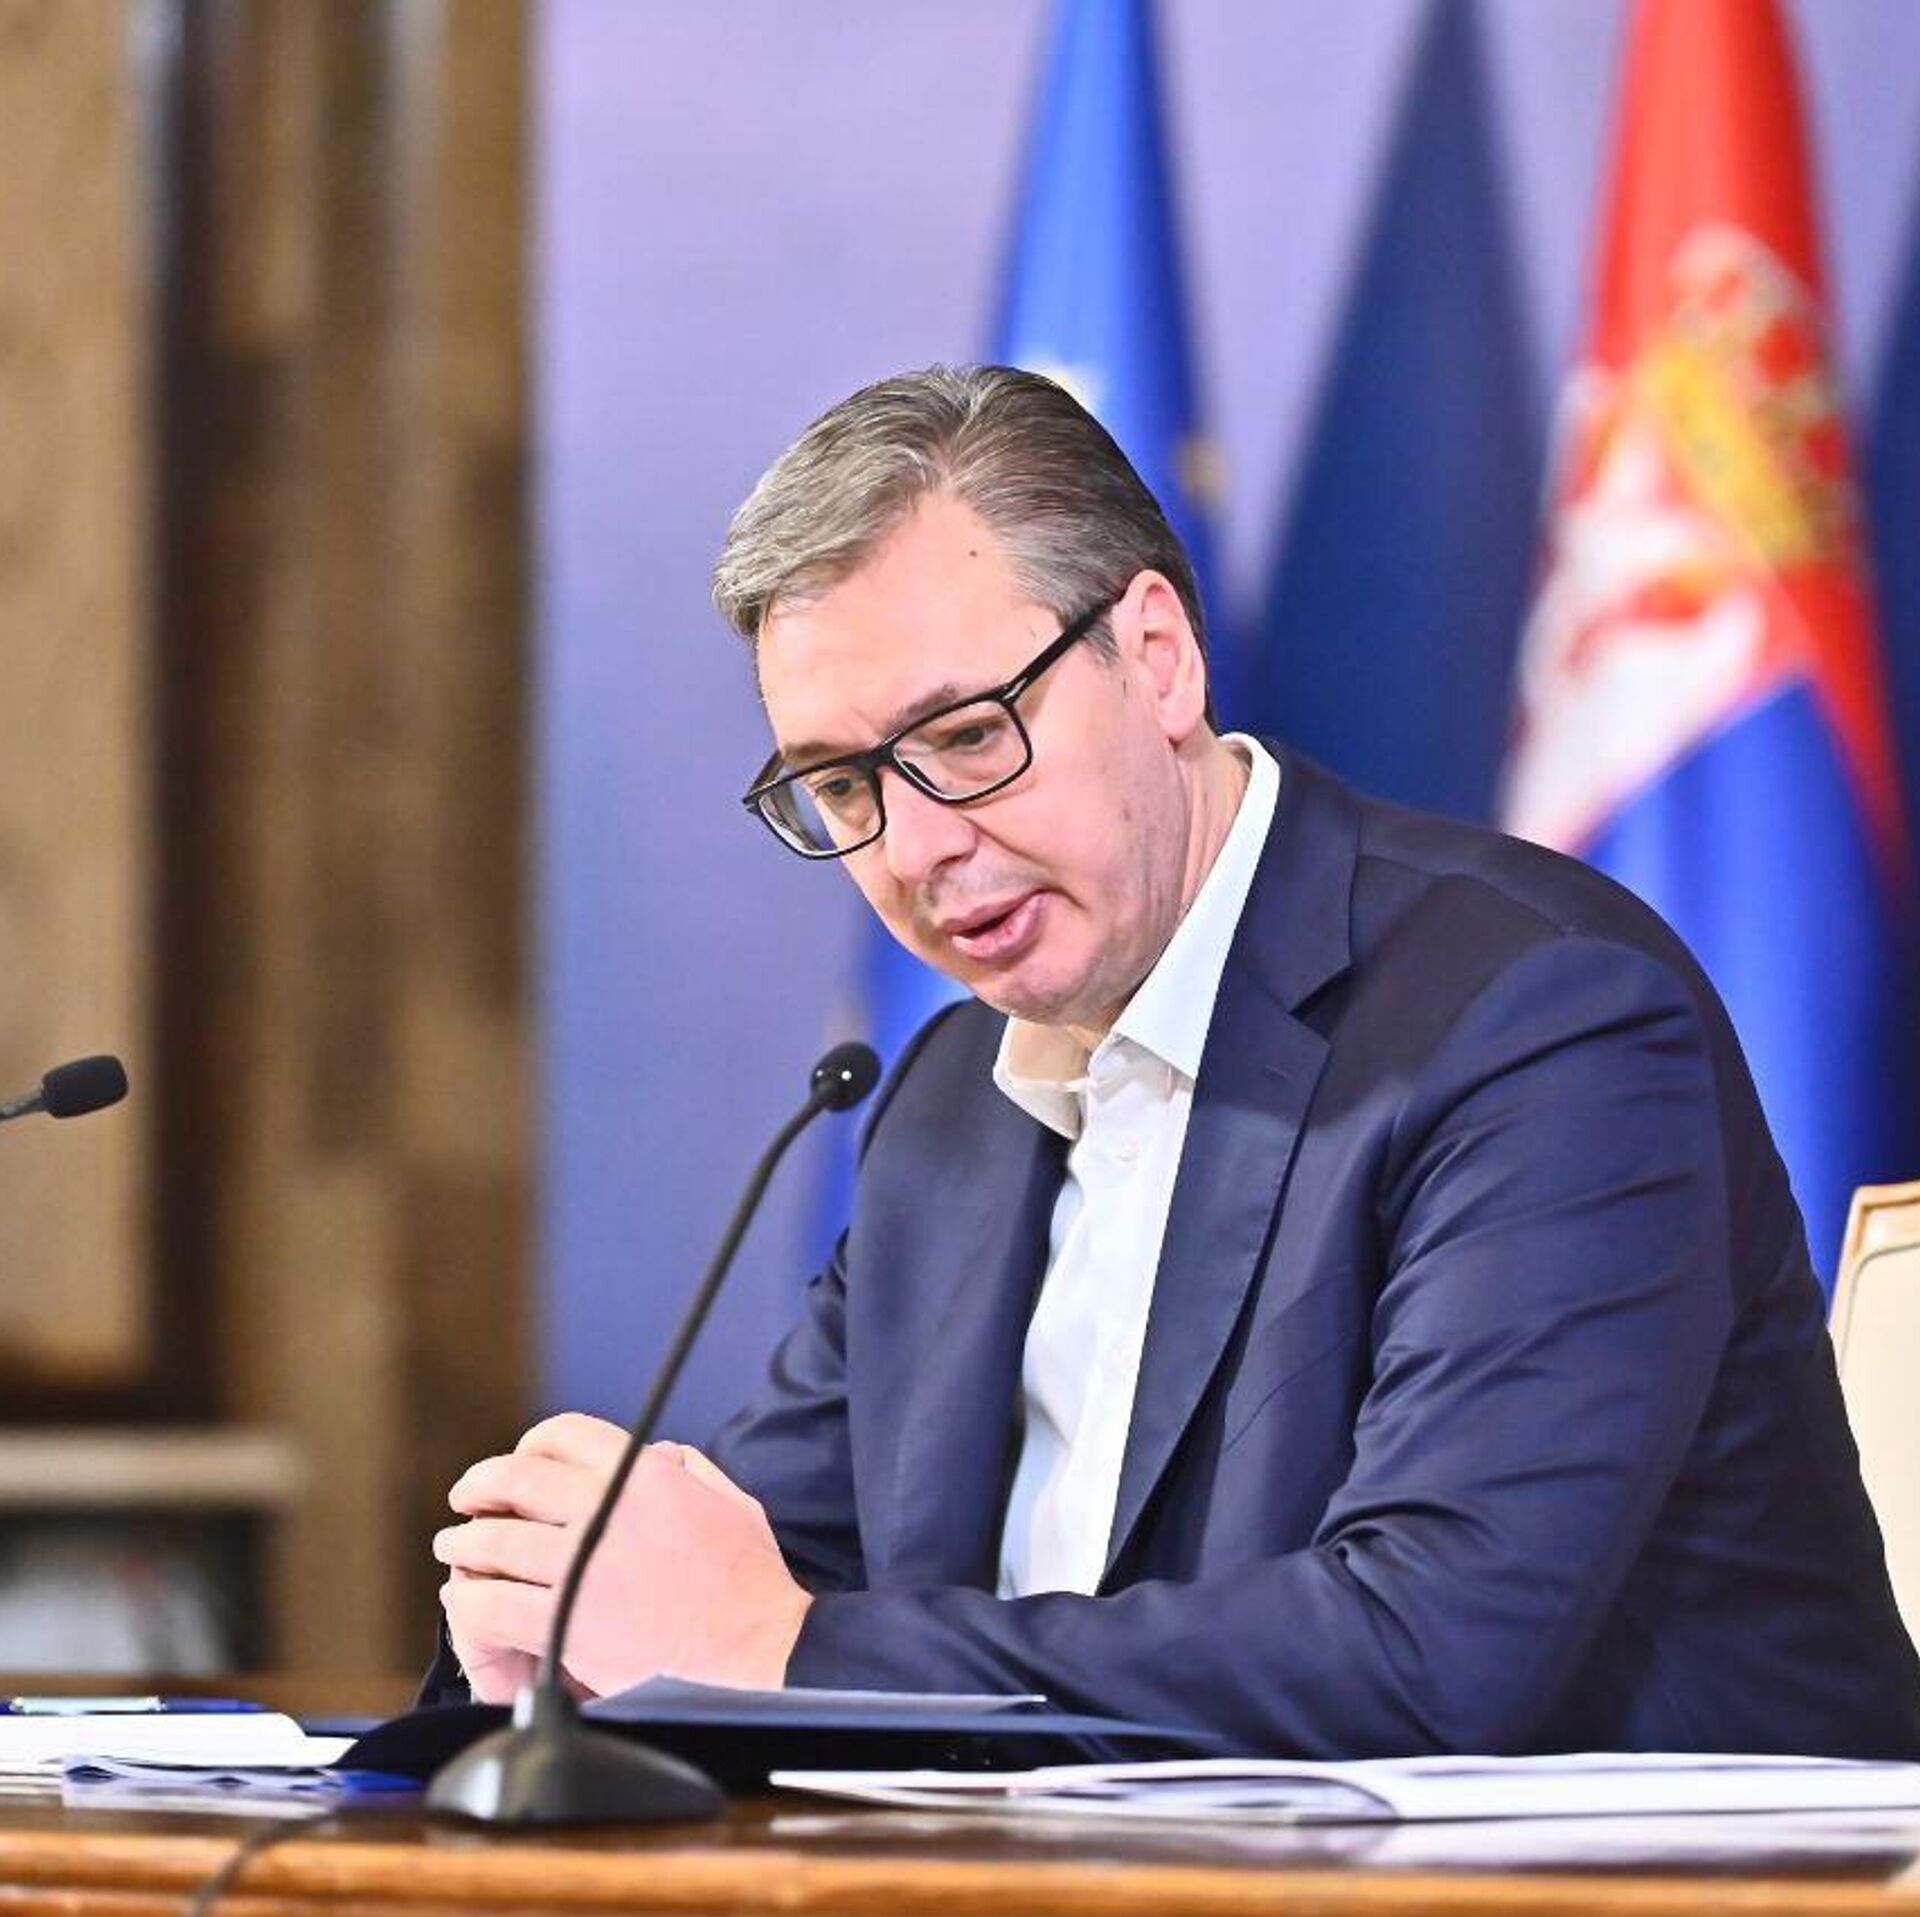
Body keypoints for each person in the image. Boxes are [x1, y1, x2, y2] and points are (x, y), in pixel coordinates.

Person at [427, 365, 1920, 1756]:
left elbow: (1431, 1654)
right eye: (842, 786)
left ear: (1155, 658)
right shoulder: (949, 1107)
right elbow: (769, 1566)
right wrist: (564, 1624)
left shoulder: (1538, 1019)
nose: (918, 847)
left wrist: (780, 1649)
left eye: (966, 737)